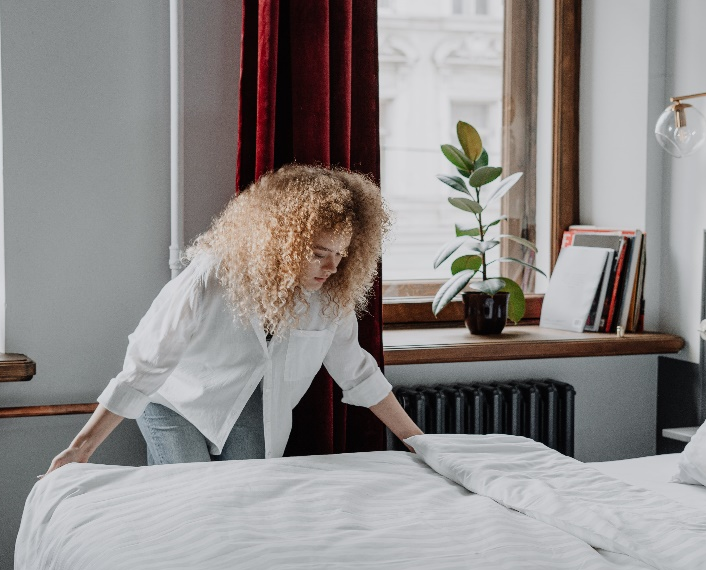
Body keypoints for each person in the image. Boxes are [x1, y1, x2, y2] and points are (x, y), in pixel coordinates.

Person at [44, 164, 422, 476]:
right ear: (281, 242)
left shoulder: (330, 295)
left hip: (249, 404)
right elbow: (145, 365)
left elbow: (357, 372)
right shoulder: (212, 277)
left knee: (245, 496)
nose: (333, 267)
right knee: (189, 498)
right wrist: (81, 448)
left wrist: (419, 442)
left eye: (341, 254)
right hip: (176, 401)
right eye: (320, 253)